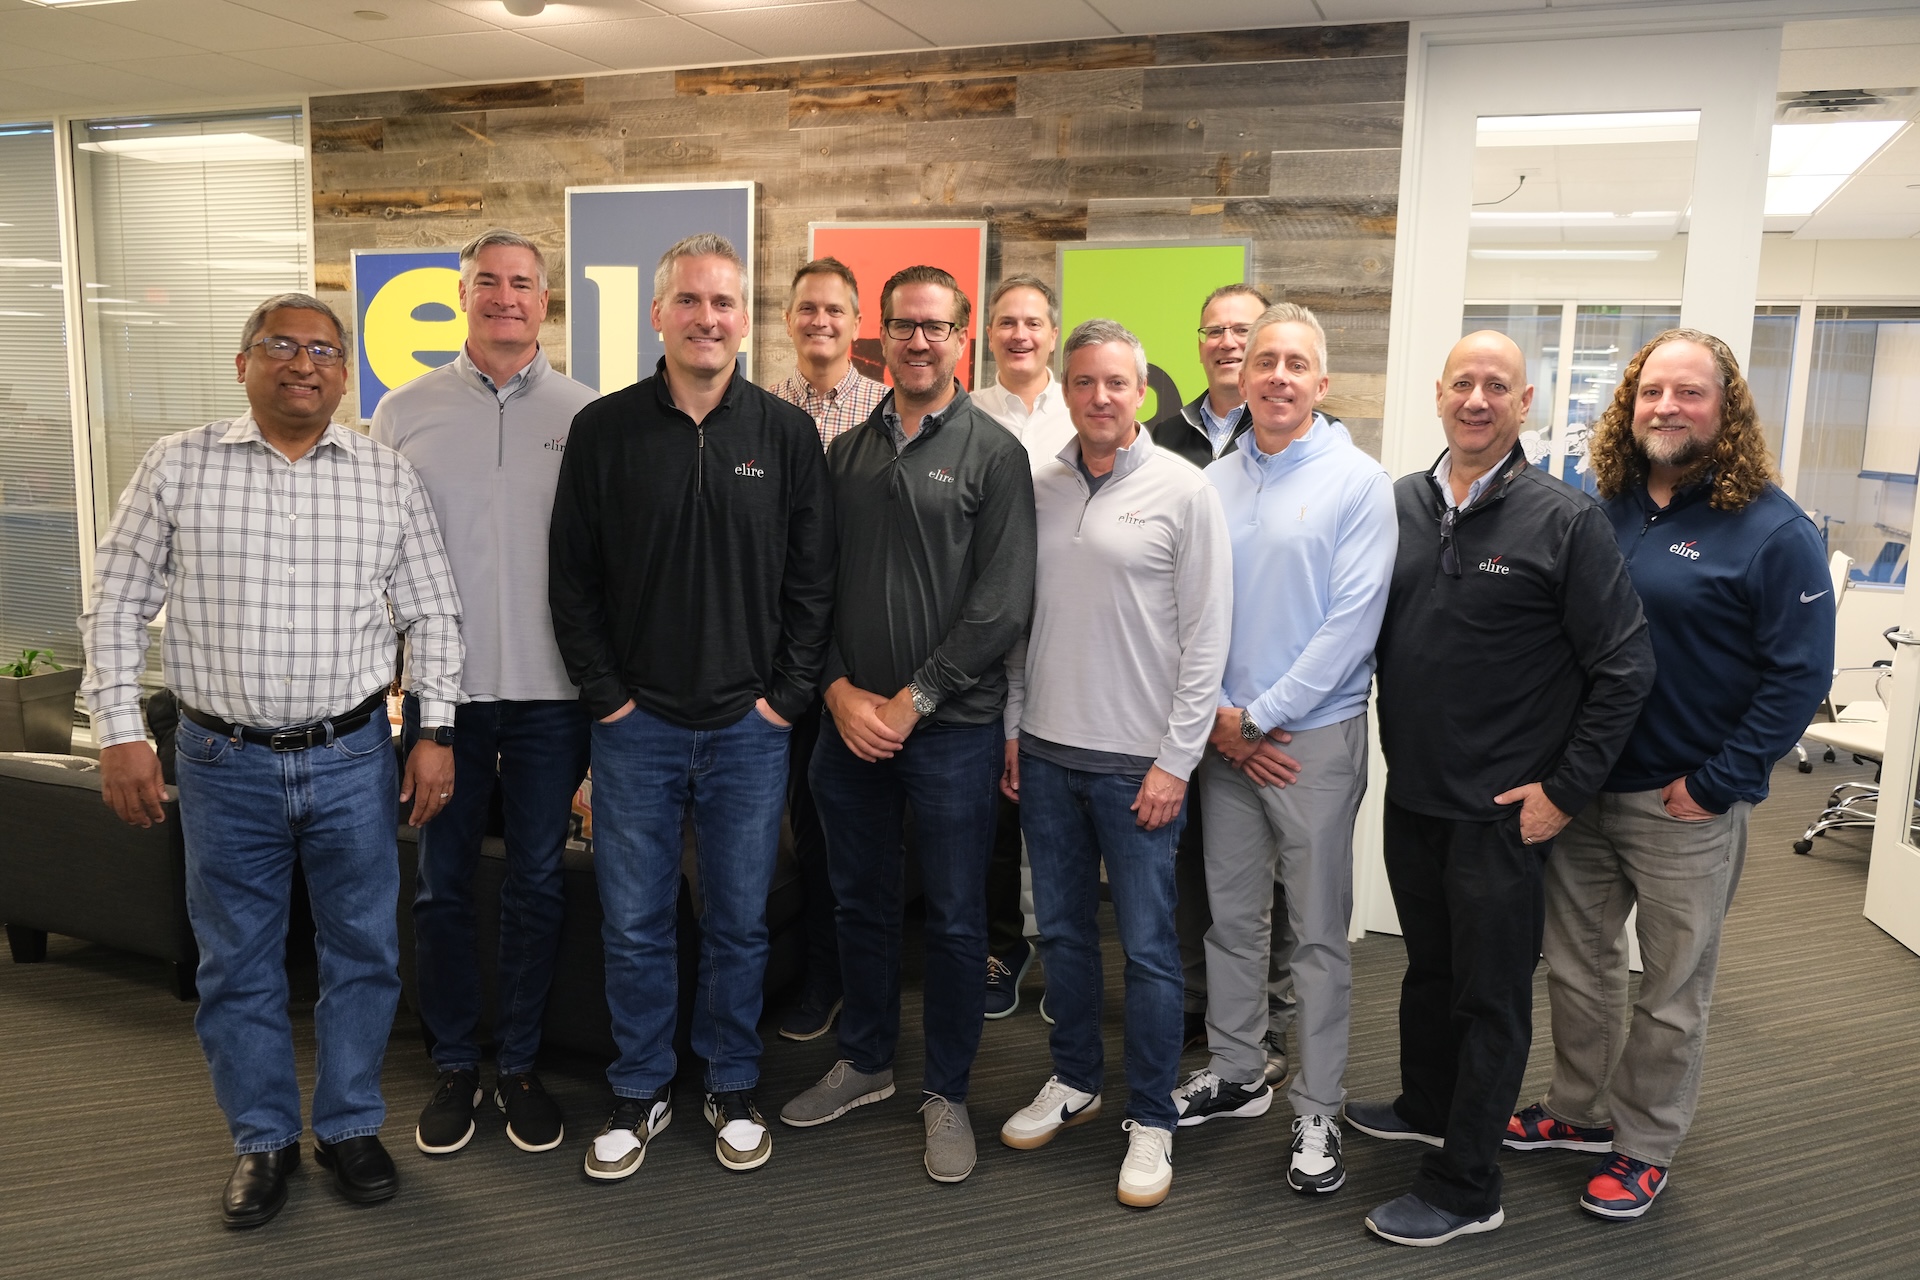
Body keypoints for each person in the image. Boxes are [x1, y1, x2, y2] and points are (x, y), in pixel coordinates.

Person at [81, 293, 463, 1228]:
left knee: (363, 952)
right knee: (237, 960)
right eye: (281, 345)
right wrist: (118, 729)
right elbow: (117, 601)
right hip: (222, 760)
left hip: (352, 755)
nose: (304, 364)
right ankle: (262, 1139)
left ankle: (348, 1126)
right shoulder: (178, 465)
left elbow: (433, 613)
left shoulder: (385, 476)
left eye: (324, 351)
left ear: (345, 372)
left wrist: (435, 733)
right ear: (243, 362)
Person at [1507, 329, 1833, 1220]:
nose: (1667, 407)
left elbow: (1799, 675)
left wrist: (1720, 782)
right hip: (1583, 788)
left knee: (1672, 987)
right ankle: (1578, 1110)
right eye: (1652, 391)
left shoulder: (1775, 531)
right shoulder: (1603, 506)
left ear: (1726, 409)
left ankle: (1644, 1143)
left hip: (1683, 801)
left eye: (1690, 392)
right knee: (1579, 970)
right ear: (1630, 404)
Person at [1349, 330, 1655, 1247]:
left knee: (1489, 999)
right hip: (1415, 797)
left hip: (1502, 816)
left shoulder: (1565, 521)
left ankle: (1467, 1186)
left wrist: (1563, 793)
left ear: (1526, 405)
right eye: (1462, 383)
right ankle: (1428, 1106)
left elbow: (1625, 670)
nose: (1477, 399)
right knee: (1428, 971)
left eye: (1497, 386)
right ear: (1439, 394)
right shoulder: (1400, 504)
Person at [549, 232, 834, 1180]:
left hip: (750, 733)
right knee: (633, 924)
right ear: (658, 314)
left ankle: (731, 1083)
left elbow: (812, 583)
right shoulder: (605, 430)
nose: (707, 319)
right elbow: (572, 580)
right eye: (690, 301)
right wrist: (609, 702)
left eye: (723, 304)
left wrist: (784, 701)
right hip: (637, 731)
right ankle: (639, 1091)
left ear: (743, 321)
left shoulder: (784, 434)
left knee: (739, 924)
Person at [779, 265, 1036, 1185]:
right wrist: (838, 692)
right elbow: (810, 589)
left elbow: (1001, 604)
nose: (918, 342)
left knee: (959, 921)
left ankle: (948, 1091)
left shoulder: (995, 454)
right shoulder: (845, 455)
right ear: (878, 337)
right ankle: (866, 1060)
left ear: (961, 338)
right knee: (856, 901)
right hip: (849, 730)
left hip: (952, 730)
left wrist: (912, 699)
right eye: (902, 326)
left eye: (935, 327)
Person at [371, 228, 597, 1159]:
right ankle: (456, 1061)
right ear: (462, 295)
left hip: (554, 697)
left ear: (545, 301)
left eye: (523, 283)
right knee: (442, 886)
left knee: (538, 885)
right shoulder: (402, 412)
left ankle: (520, 1065)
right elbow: (380, 560)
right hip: (444, 700)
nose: (506, 296)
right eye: (489, 282)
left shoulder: (589, 413)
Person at [997, 318, 1230, 1208]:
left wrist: (1177, 762)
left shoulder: (1184, 490)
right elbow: (1023, 624)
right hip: (1047, 755)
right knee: (1060, 935)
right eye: (1085, 381)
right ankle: (1075, 1079)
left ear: (1142, 392)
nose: (1100, 397)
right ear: (1066, 389)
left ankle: (1152, 1117)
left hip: (1139, 765)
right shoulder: (1039, 487)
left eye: (1117, 383)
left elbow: (1207, 641)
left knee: (1149, 952)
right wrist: (1015, 727)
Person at [1171, 304, 1395, 1201]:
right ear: (1242, 374)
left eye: (1295, 364)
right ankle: (1237, 1070)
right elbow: (1191, 612)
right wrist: (1220, 723)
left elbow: (1352, 625)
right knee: (1231, 922)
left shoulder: (1358, 482)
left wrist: (1257, 719)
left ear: (1321, 381)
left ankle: (1318, 1107)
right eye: (1264, 361)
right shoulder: (1215, 482)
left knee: (1315, 937)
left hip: (1309, 742)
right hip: (1226, 743)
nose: (1276, 377)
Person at [1149, 282, 1297, 1079]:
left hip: (1265, 703)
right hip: (1180, 698)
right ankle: (1194, 1005)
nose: (1229, 343)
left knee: (1264, 874)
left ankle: (1266, 1018)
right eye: (1215, 331)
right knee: (1186, 864)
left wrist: (1253, 711)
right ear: (1198, 342)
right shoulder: (1159, 439)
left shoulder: (1297, 435)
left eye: (1244, 330)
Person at [767, 257, 889, 1044]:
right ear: (788, 319)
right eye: (807, 308)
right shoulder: (760, 408)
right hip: (778, 661)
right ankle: (809, 972)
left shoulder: (886, 411)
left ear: (856, 323)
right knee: (795, 832)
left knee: (850, 837)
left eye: (835, 309)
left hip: (856, 660)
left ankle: (844, 978)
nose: (821, 321)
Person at [969, 274, 1075, 1019]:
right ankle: (1003, 947)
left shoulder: (1083, 411)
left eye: (1033, 322)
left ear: (1052, 332)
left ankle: (1068, 955)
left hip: (1070, 624)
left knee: (1065, 807)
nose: (1020, 335)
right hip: (987, 627)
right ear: (988, 333)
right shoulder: (966, 411)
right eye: (1007, 321)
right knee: (996, 811)